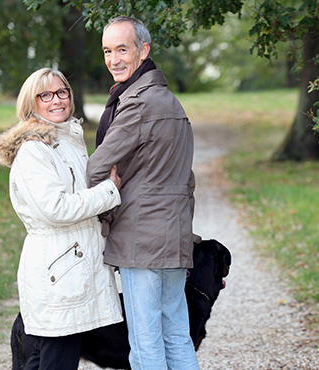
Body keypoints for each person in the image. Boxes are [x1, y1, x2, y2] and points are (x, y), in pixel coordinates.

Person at [86, 16, 199, 370]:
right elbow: (187, 178)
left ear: (143, 50)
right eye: (107, 50)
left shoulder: (136, 104)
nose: (113, 59)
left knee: (146, 344)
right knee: (177, 336)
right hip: (174, 238)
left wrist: (107, 204)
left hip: (141, 242)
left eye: (122, 49)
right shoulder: (171, 103)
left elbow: (96, 169)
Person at [0, 68, 124, 370]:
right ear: (31, 104)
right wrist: (109, 191)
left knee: (47, 360)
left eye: (62, 92)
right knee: (57, 360)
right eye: (46, 95)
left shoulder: (67, 141)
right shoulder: (33, 151)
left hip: (74, 266)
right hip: (58, 269)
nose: (57, 100)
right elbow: (56, 208)